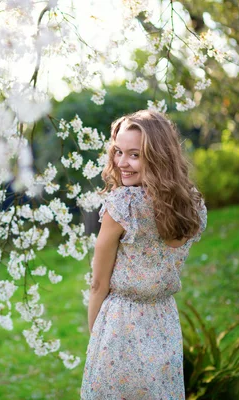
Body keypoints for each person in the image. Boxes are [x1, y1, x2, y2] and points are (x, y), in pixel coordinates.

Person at [80, 110, 207, 399]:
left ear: (158, 156)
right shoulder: (192, 205)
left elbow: (98, 284)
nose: (122, 163)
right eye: (118, 152)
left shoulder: (123, 204)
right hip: (163, 323)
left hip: (120, 324)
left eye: (134, 155)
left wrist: (96, 336)